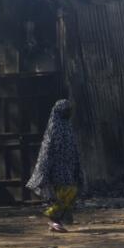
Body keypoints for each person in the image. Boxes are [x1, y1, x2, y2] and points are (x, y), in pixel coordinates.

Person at [26, 99, 84, 233]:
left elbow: (72, 147)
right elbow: (48, 149)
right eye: (66, 110)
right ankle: (53, 217)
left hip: (68, 166)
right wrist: (46, 167)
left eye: (69, 109)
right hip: (57, 167)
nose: (69, 112)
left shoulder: (67, 125)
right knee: (67, 192)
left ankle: (56, 220)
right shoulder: (55, 126)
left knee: (70, 192)